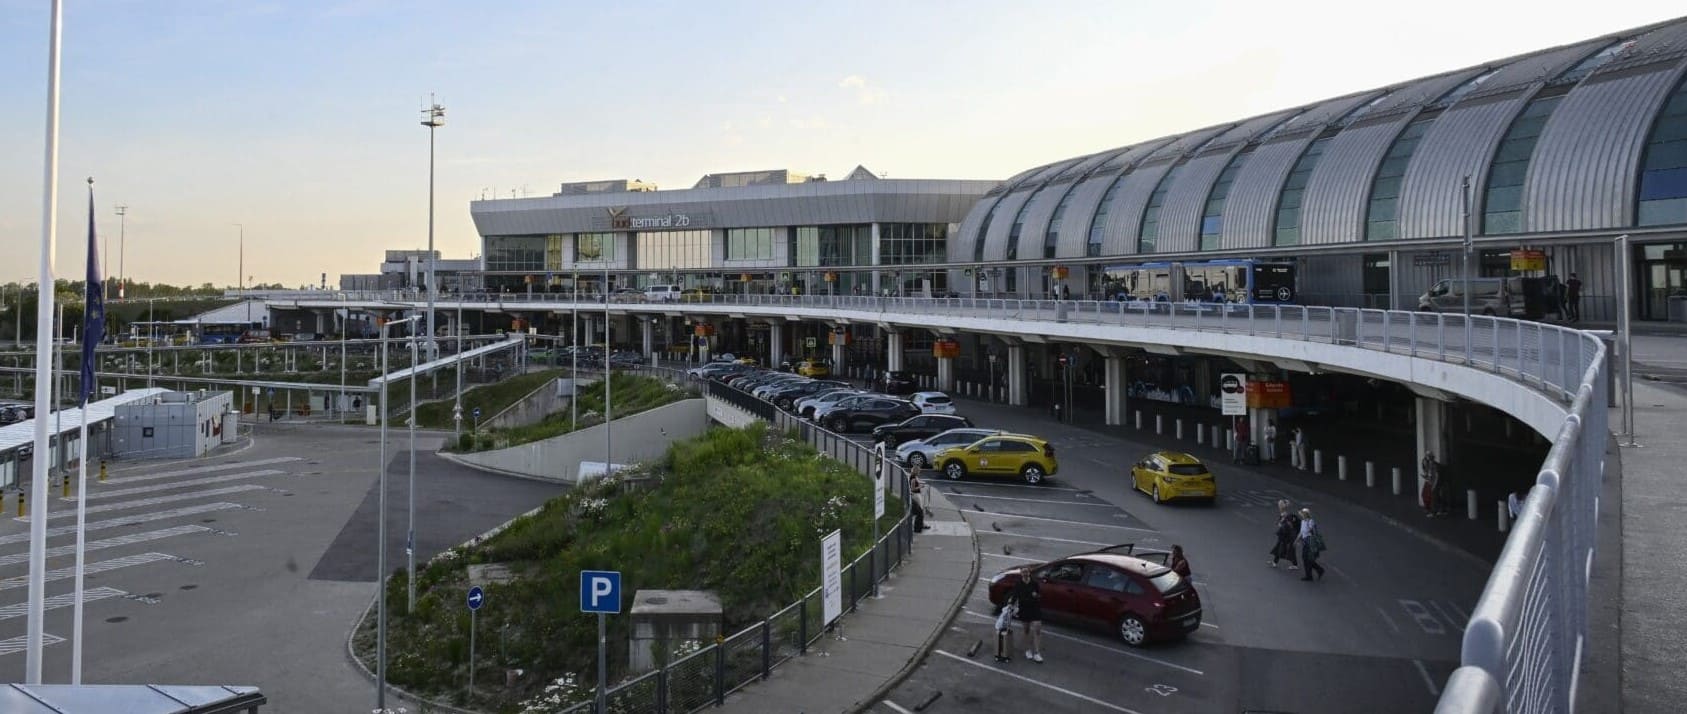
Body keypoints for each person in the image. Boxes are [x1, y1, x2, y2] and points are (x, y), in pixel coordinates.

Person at [1012, 573, 1045, 663]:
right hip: (1024, 609)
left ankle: (1037, 653)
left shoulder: (1034, 583)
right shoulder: (1018, 584)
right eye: (1023, 572)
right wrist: (1011, 604)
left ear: (1029, 573)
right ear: (1021, 574)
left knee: (1037, 627)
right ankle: (1027, 650)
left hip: (1034, 608)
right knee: (1026, 630)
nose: (1025, 574)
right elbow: (1015, 595)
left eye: (1027, 572)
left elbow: (1039, 595)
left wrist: (1036, 595)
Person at [1270, 499, 1300, 569]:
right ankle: (1275, 562)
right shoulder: (1284, 513)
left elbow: (1288, 525)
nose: (1278, 506)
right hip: (1284, 535)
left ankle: (1294, 564)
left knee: (1287, 549)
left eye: (1279, 505)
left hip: (1286, 536)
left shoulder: (1285, 514)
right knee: (1280, 548)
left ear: (1282, 507)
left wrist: (1281, 523)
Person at [1298, 508, 1326, 582]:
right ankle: (1318, 570)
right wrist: (1296, 540)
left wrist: (1309, 525)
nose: (1301, 515)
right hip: (1305, 542)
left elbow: (1312, 530)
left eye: (1303, 513)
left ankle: (1310, 575)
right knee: (1305, 558)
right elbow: (1301, 532)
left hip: (1311, 542)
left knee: (1309, 559)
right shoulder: (1302, 522)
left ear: (1306, 514)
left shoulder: (1311, 521)